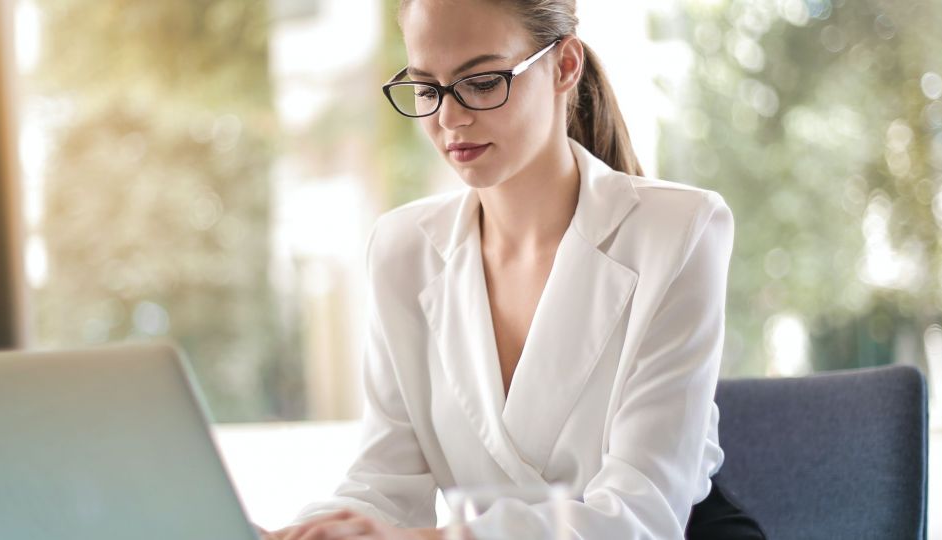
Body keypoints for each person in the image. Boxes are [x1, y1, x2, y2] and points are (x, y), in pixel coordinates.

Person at [267, 0, 765, 538]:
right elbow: (383, 484)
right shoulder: (401, 248)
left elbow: (641, 513)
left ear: (564, 65)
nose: (449, 119)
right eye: (428, 89)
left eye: (481, 82)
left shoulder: (681, 228)